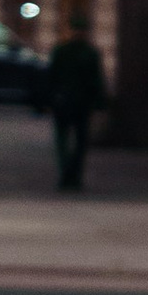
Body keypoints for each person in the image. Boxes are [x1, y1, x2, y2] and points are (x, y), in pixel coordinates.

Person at [47, 11, 107, 192]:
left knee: (64, 141)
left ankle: (67, 174)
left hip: (64, 102)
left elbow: (51, 77)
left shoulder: (61, 51)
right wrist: (100, 103)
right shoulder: (90, 53)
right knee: (79, 142)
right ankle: (74, 176)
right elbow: (97, 80)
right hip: (81, 103)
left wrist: (49, 99)